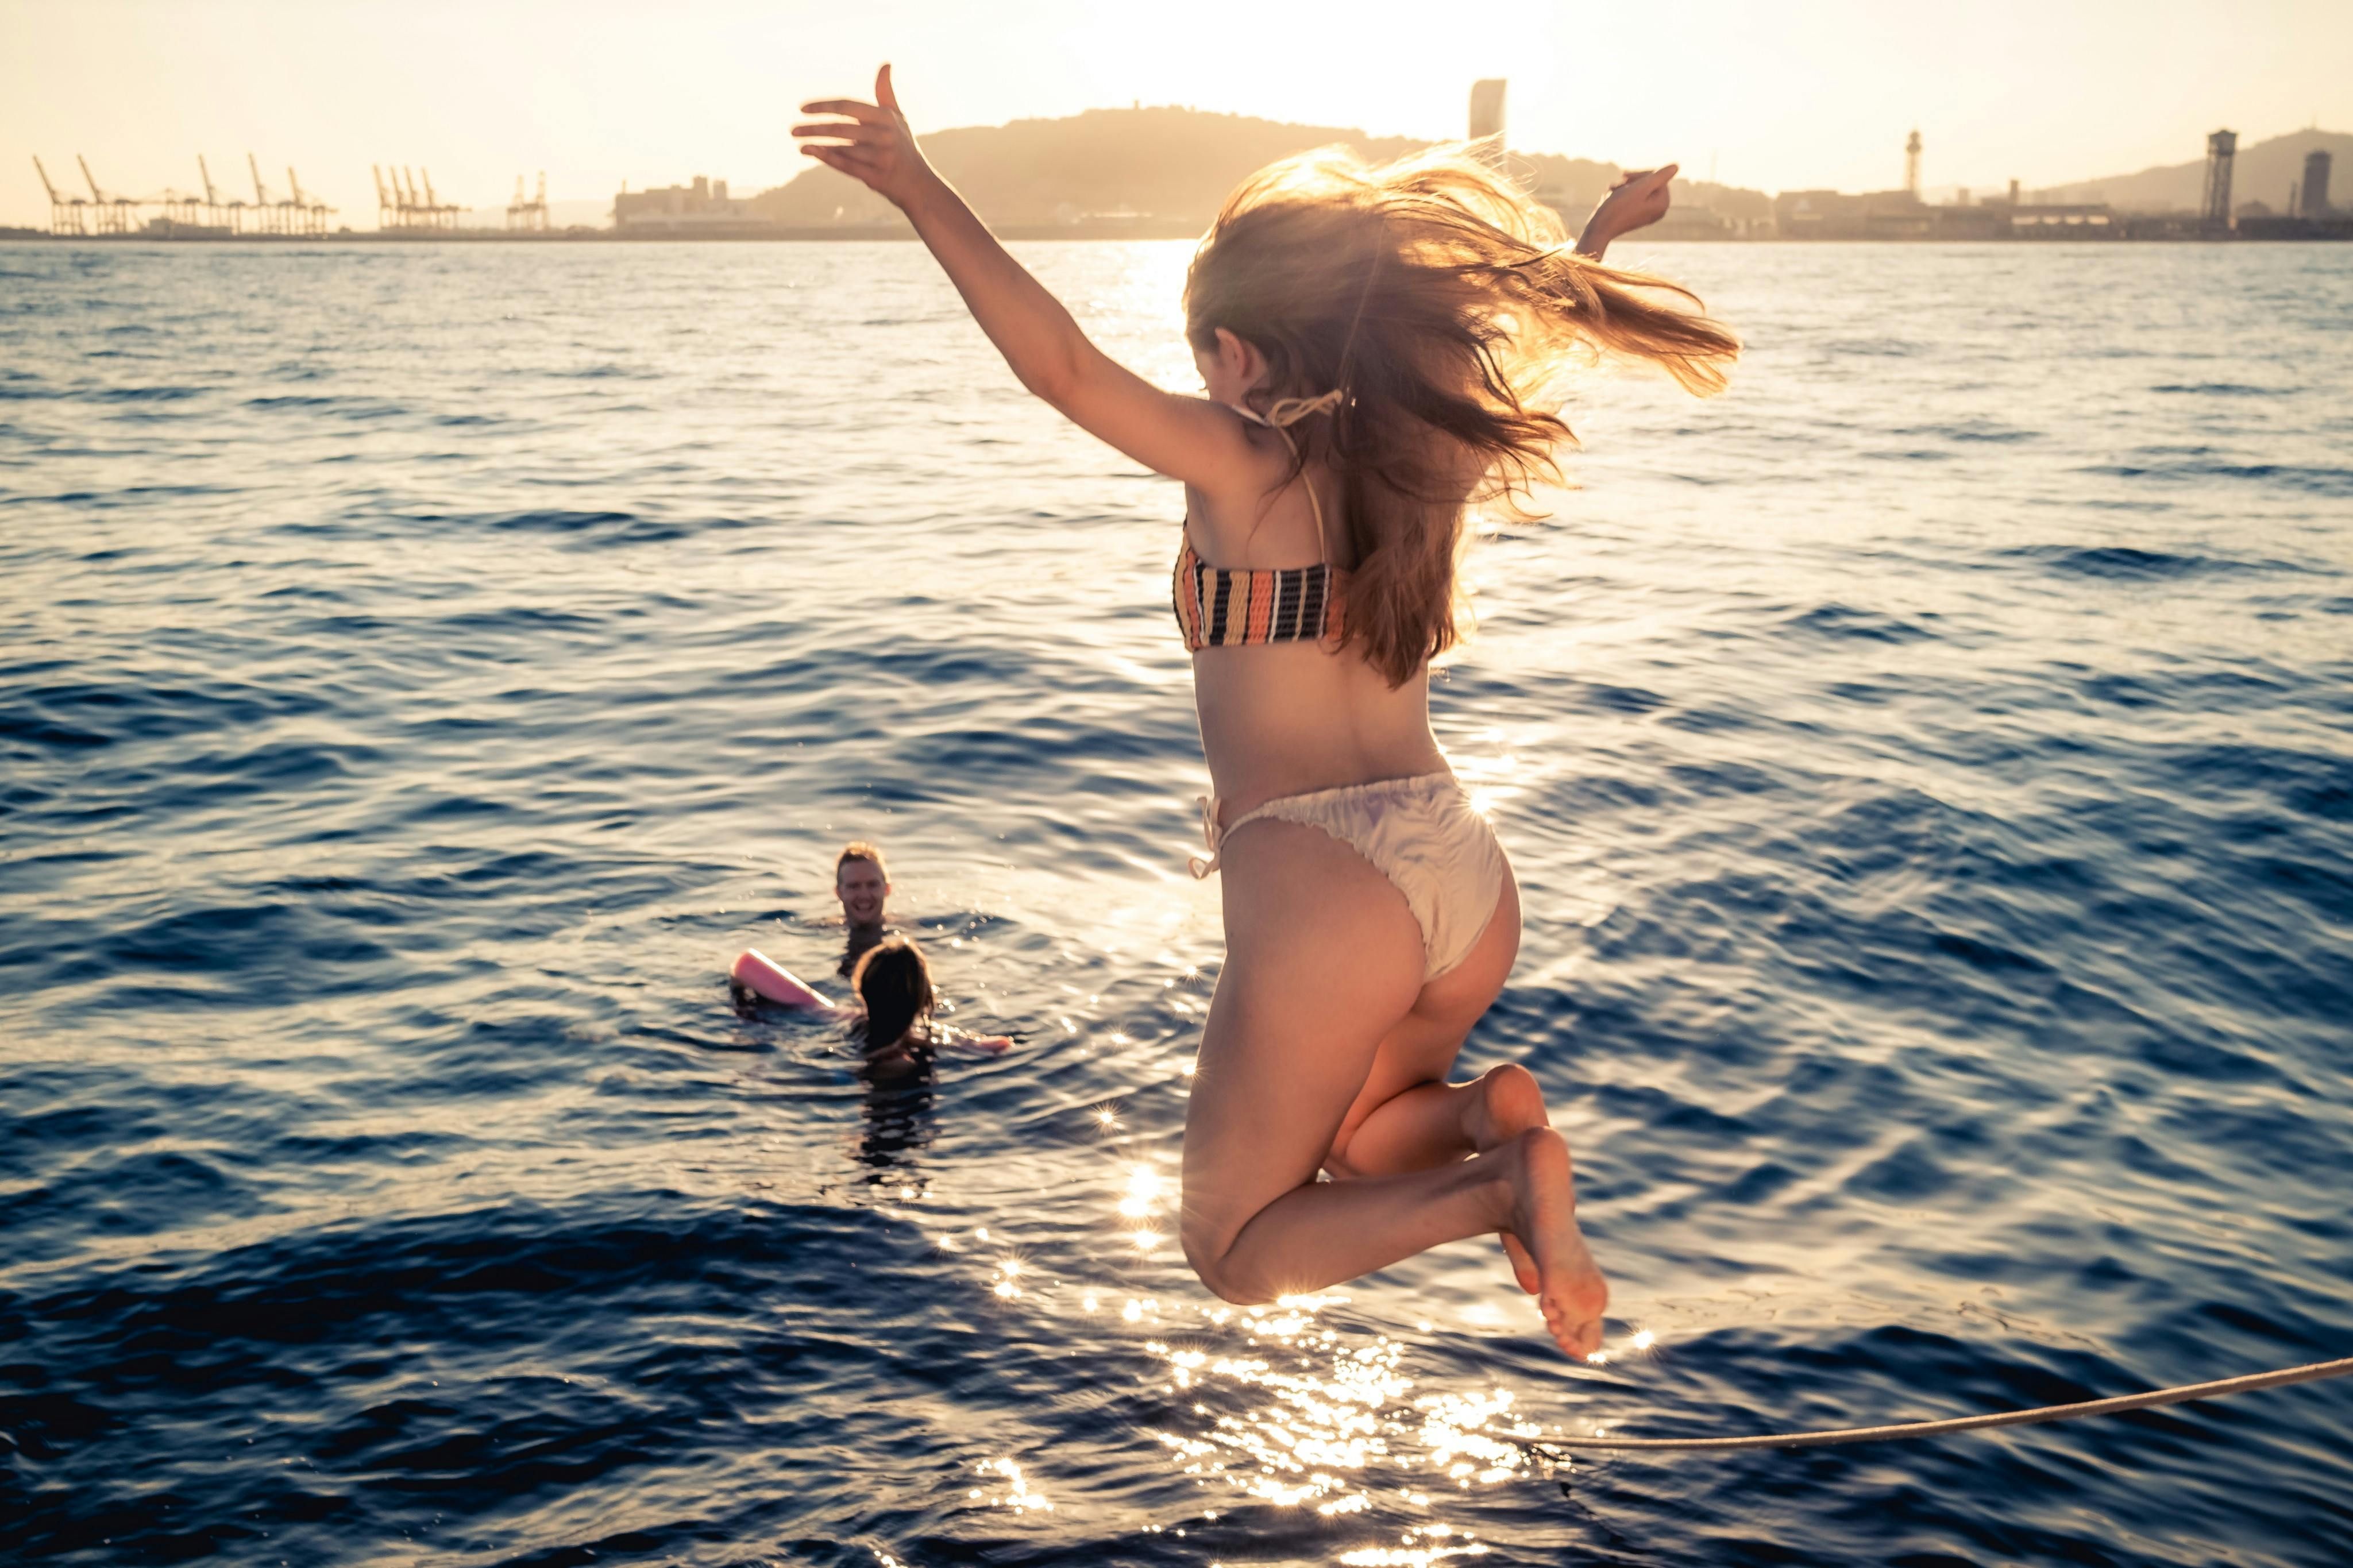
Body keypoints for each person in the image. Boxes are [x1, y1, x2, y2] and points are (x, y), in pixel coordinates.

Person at [793, 68, 1735, 1358]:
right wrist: (1596, 241)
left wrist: (919, 185)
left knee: (1233, 1250)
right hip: (1460, 874)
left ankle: (1493, 1181)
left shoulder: (1240, 466)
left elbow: (1060, 366)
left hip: (1323, 878)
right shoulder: (1424, 459)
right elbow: (1523, 338)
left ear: (1239, 355)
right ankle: (1482, 1120)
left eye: (1203, 362)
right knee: (1357, 1140)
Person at [732, 934, 1010, 1063]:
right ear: (924, 997)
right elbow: (997, 1045)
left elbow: (744, 965)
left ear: (862, 992)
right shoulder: (898, 1060)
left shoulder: (842, 1016)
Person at [832, 840, 893, 975]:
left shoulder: (907, 934)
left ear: (887, 889)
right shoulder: (819, 932)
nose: (864, 895)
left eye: (872, 885)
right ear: (838, 893)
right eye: (854, 886)